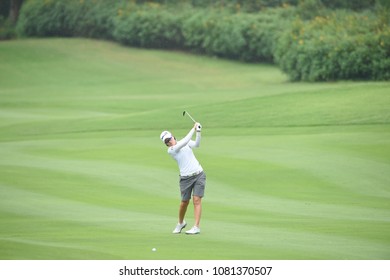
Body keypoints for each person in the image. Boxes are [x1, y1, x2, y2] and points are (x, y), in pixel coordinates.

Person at [160, 122, 206, 235]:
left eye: (169, 139)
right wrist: (193, 128)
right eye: (166, 142)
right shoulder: (171, 150)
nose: (169, 142)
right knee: (184, 202)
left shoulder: (183, 142)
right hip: (185, 179)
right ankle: (180, 223)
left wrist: (198, 132)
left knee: (197, 200)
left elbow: (196, 145)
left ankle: (196, 227)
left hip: (199, 174)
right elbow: (185, 141)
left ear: (173, 136)